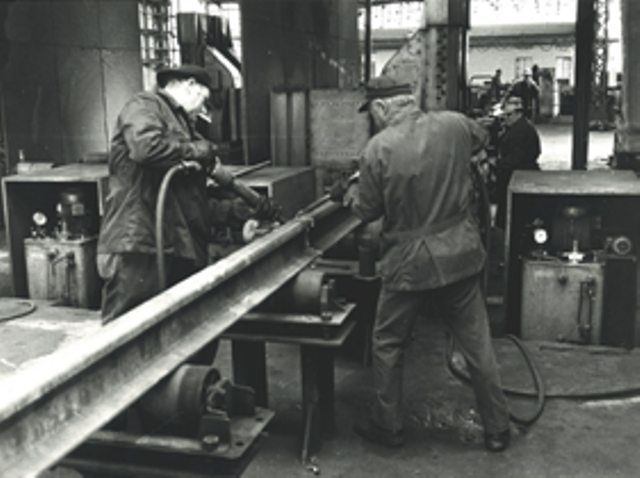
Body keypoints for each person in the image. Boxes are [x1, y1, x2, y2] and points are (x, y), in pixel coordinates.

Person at [331, 75, 511, 452]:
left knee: (388, 344)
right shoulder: (455, 124)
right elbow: (483, 138)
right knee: (477, 345)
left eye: (372, 112)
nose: (373, 119)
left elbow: (368, 211)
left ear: (382, 107)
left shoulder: (378, 149)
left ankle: (389, 426)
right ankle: (497, 429)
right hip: (460, 254)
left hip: (409, 264)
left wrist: (347, 192)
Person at [97, 64, 244, 363]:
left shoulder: (183, 124)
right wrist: (196, 151)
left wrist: (230, 211)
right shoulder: (145, 105)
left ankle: (181, 390)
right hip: (139, 242)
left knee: (191, 333)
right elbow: (145, 148)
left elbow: (186, 197)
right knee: (126, 342)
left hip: (175, 245)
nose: (202, 109)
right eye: (203, 100)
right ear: (189, 85)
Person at [494, 97, 541, 230]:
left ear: (518, 114)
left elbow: (516, 159)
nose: (505, 119)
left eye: (508, 115)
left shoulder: (521, 131)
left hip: (518, 176)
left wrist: (497, 163)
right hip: (517, 175)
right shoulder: (517, 127)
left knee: (517, 214)